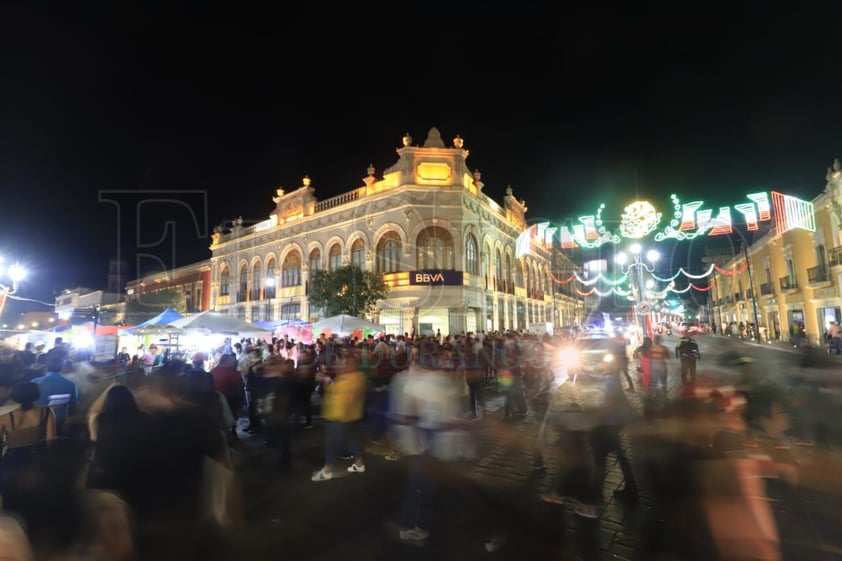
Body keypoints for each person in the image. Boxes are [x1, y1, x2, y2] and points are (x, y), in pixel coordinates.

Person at [311, 348, 367, 481]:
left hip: (339, 417)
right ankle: (359, 464)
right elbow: (335, 388)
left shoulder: (351, 380)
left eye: (346, 363)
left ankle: (327, 471)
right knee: (352, 440)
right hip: (351, 417)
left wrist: (325, 380)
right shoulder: (355, 377)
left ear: (352, 365)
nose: (342, 365)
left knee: (331, 443)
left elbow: (338, 396)